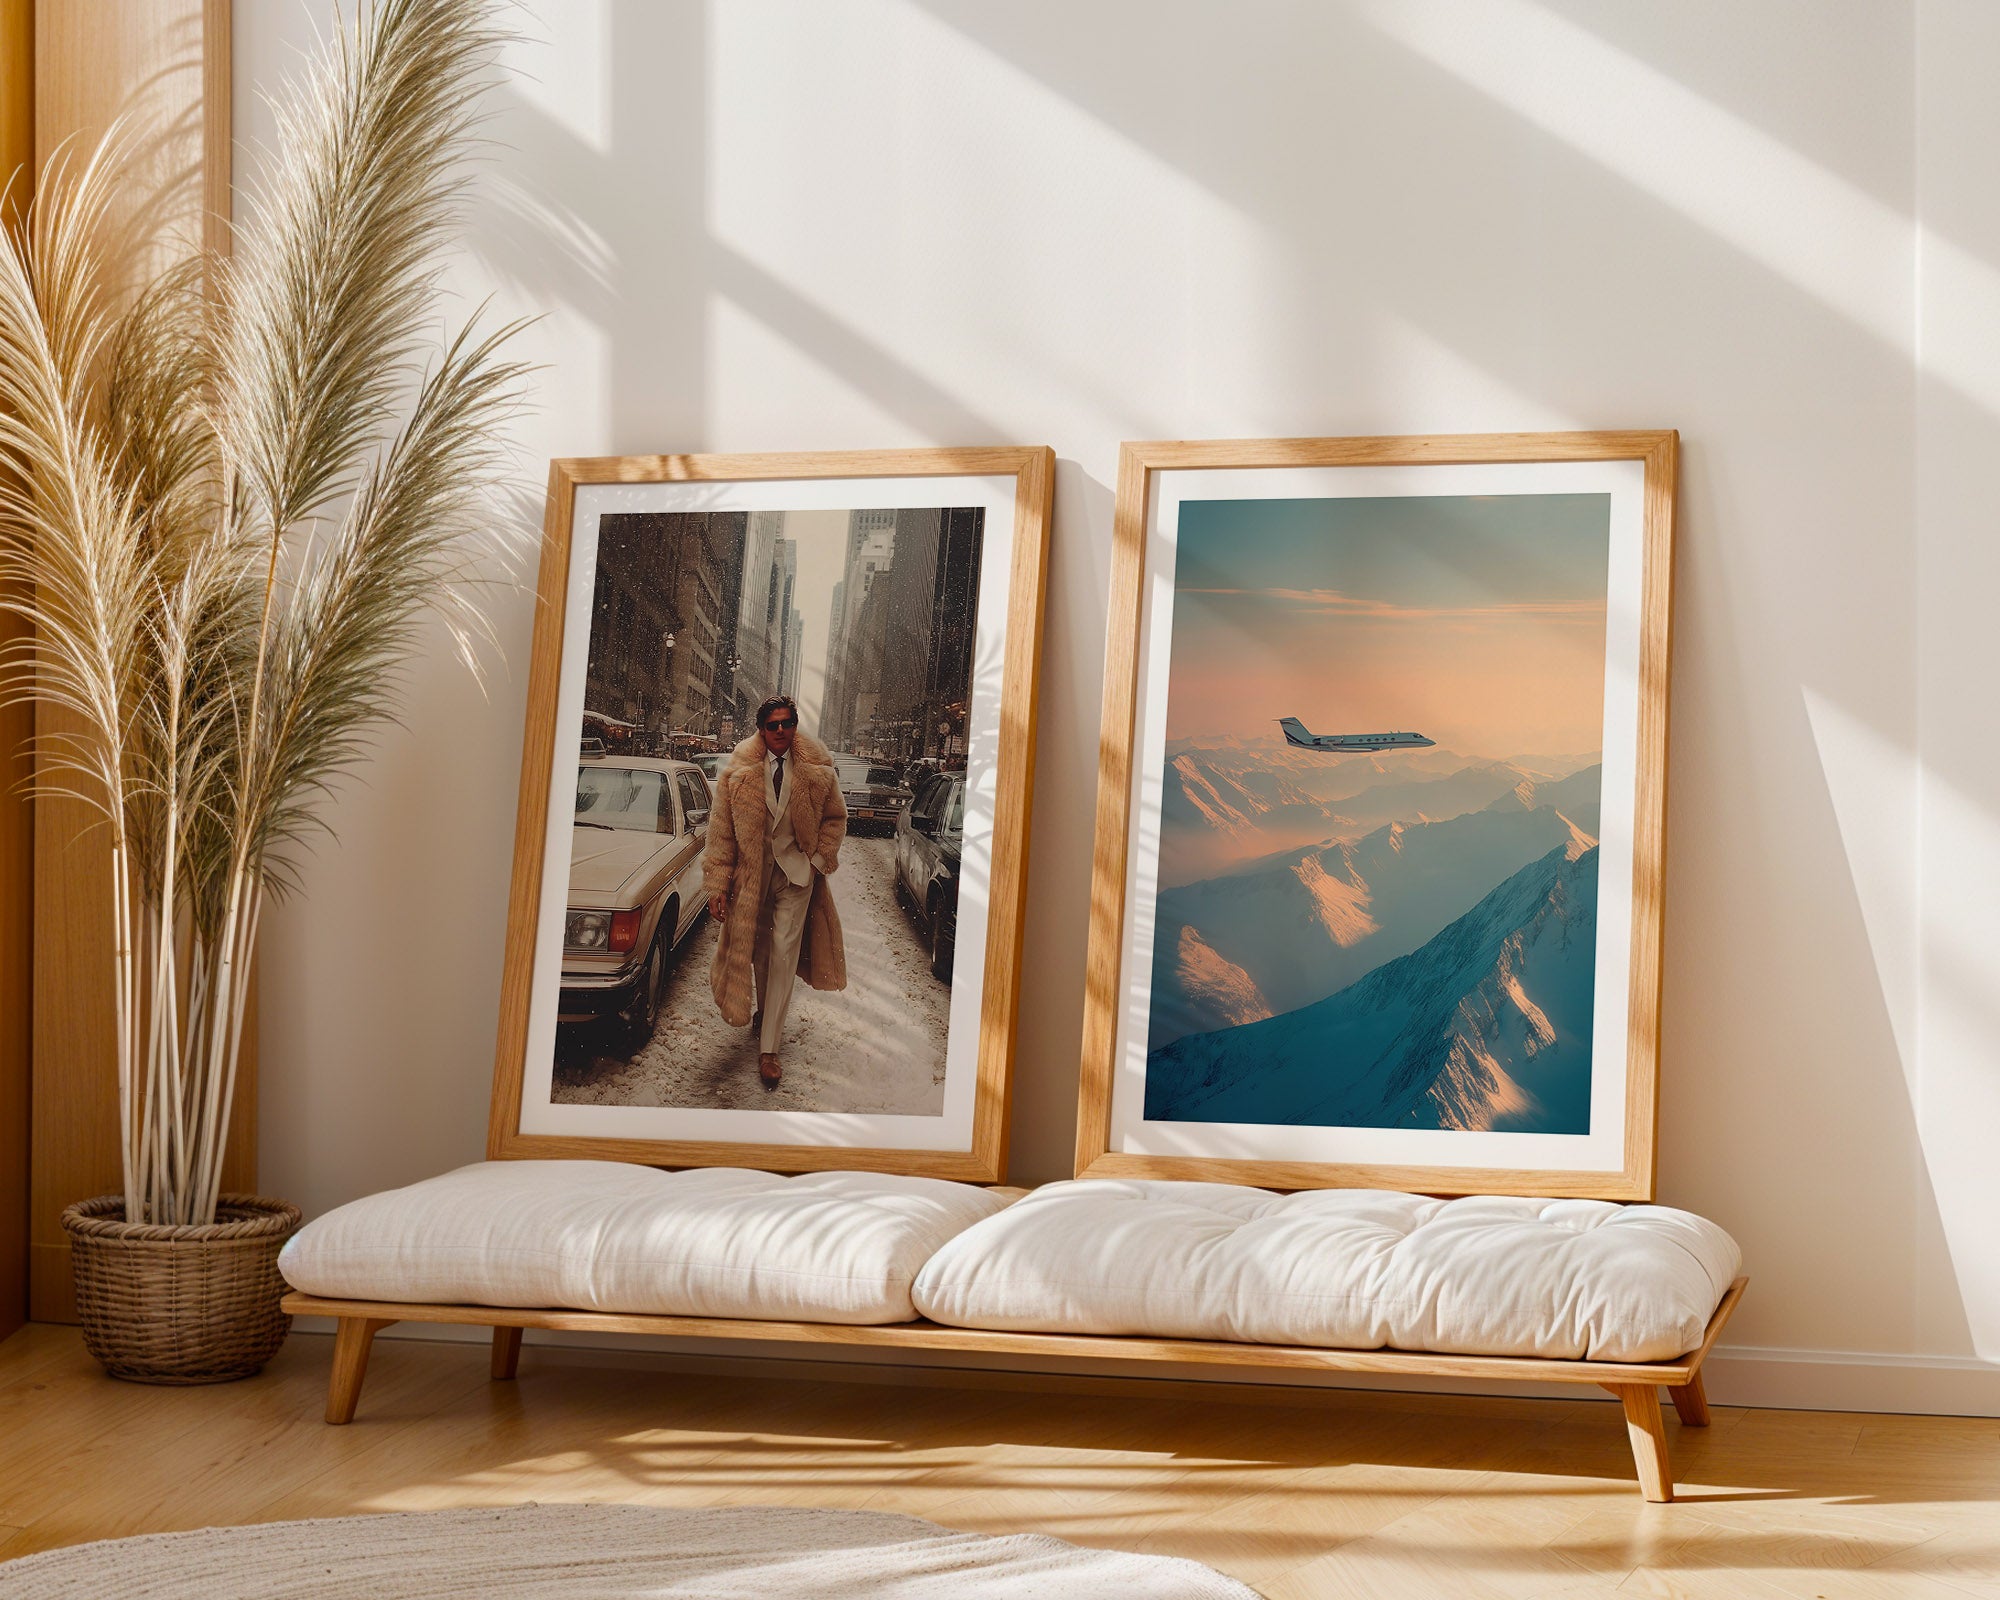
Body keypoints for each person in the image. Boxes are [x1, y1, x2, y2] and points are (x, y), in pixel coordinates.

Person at [702, 695, 847, 1088]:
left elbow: (836, 819)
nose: (780, 731)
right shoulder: (739, 768)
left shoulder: (818, 767)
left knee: (783, 953)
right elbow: (722, 832)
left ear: (795, 726)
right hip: (753, 877)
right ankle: (766, 1014)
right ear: (761, 729)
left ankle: (770, 1050)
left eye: (787, 723)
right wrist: (717, 882)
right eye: (772, 725)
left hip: (797, 877)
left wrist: (818, 863)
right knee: (761, 956)